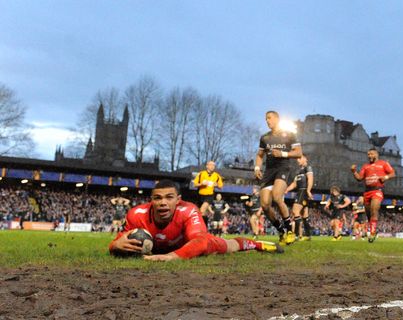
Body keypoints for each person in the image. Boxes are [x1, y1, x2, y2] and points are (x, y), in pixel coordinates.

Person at [109, 180, 281, 260]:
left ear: (178, 200)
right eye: (158, 198)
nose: (163, 203)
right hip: (164, 247)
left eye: (169, 197)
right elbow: (118, 240)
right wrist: (115, 245)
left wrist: (173, 257)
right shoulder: (136, 214)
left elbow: (201, 241)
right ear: (151, 200)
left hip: (189, 245)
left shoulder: (189, 210)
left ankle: (258, 244)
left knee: (228, 246)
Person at [254, 110, 302, 245]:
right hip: (269, 171)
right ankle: (281, 231)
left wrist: (282, 154)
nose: (267, 121)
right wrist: (257, 168)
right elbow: (259, 155)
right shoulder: (264, 138)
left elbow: (298, 153)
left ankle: (290, 231)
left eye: (269, 118)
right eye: (266, 119)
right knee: (265, 205)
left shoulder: (289, 135)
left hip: (283, 168)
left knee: (276, 196)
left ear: (277, 119)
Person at [350, 148, 396, 243]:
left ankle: (372, 232)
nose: (369, 156)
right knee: (369, 214)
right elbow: (359, 178)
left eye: (371, 154)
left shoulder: (383, 163)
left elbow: (392, 173)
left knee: (374, 209)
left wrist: (386, 177)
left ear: (376, 154)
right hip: (367, 191)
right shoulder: (365, 166)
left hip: (377, 190)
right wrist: (354, 171)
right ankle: (372, 229)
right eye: (368, 154)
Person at [285, 155, 314, 241]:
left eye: (299, 158)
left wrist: (308, 190)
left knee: (295, 211)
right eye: (297, 159)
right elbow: (294, 184)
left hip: (303, 191)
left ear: (305, 159)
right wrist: (287, 189)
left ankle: (296, 235)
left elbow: (310, 179)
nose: (298, 160)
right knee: (304, 215)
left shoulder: (308, 168)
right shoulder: (298, 171)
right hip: (300, 191)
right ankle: (308, 235)